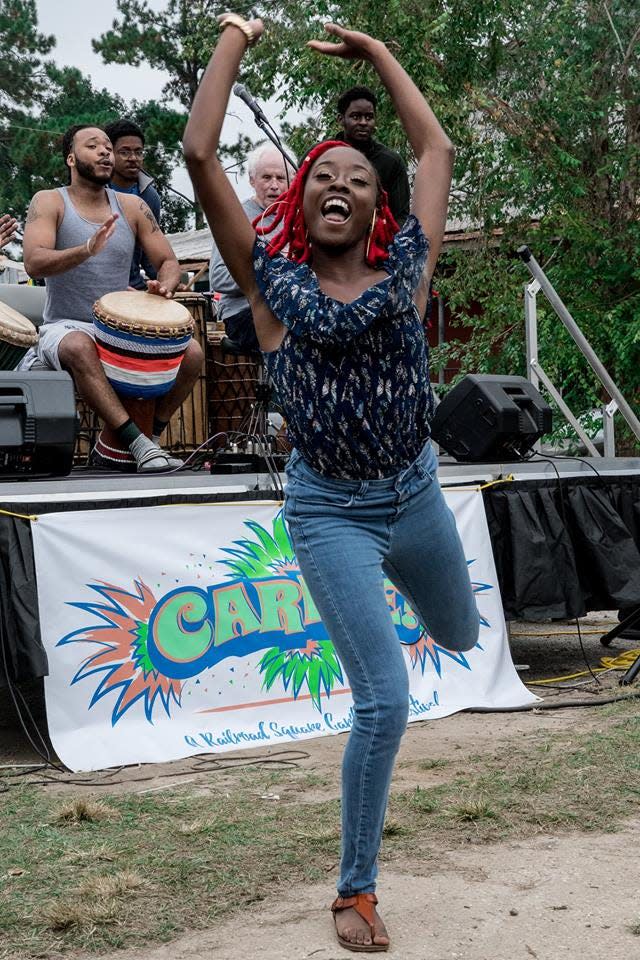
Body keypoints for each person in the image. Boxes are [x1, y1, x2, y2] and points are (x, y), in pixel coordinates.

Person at [184, 15, 479, 954]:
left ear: (377, 204)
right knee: (385, 702)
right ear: (301, 205)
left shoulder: (410, 267)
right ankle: (355, 893)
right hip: (331, 511)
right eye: (323, 178)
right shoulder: (270, 290)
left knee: (464, 635)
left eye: (358, 177)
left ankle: (391, 590)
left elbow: (433, 146)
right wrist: (236, 34)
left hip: (417, 492)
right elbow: (197, 151)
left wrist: (377, 56)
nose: (341, 185)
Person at [21, 124, 203, 472]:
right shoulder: (49, 201)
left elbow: (168, 262)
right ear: (71, 158)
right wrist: (85, 249)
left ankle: (150, 438)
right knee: (78, 346)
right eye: (94, 146)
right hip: (65, 326)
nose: (105, 152)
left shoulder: (133, 206)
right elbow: (34, 261)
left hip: (117, 330)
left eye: (108, 146)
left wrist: (165, 287)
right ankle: (134, 441)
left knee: (191, 353)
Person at [209, 142, 295, 353]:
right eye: (266, 177)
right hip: (243, 312)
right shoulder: (235, 218)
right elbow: (218, 277)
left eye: (281, 178)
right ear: (252, 179)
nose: (274, 185)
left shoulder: (299, 218)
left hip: (291, 307)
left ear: (292, 181)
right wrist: (270, 267)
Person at [336, 84, 410, 226]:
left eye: (369, 117)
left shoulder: (391, 162)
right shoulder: (320, 156)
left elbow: (401, 218)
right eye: (356, 116)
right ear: (341, 119)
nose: (363, 123)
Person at [104, 118, 162, 291]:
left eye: (138, 152)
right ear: (109, 153)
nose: (133, 158)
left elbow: (150, 249)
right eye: (125, 152)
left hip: (134, 288)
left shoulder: (149, 196)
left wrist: (164, 281)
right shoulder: (93, 190)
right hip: (96, 289)